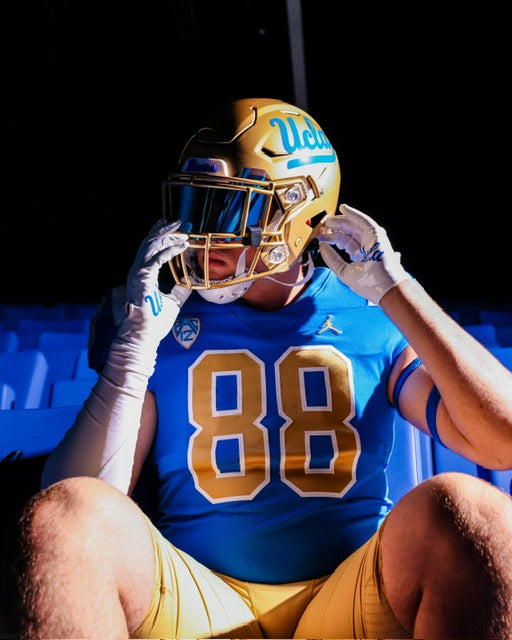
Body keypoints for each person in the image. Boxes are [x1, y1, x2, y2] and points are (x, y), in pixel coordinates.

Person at [5, 98, 512, 639]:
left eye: (230, 211)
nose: (204, 234)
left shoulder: (373, 314)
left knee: (473, 509)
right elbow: (75, 507)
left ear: (298, 216)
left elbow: (503, 439)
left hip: (352, 595)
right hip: (200, 595)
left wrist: (398, 290)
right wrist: (133, 349)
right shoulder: (152, 309)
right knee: (66, 519)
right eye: (197, 205)